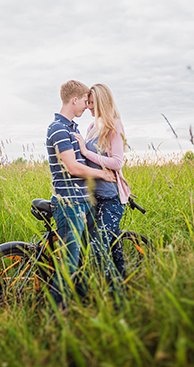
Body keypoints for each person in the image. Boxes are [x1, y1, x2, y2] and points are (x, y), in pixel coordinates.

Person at [46, 80, 116, 309]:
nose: (87, 106)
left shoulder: (73, 129)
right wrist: (102, 174)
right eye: (85, 101)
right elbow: (73, 168)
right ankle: (55, 318)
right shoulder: (57, 129)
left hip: (83, 202)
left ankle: (83, 305)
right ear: (73, 100)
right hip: (71, 204)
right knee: (69, 265)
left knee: (80, 260)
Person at [74, 83, 132, 297]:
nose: (88, 107)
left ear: (101, 101)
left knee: (98, 249)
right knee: (114, 249)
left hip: (111, 199)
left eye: (92, 103)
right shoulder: (91, 127)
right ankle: (122, 289)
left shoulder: (114, 125)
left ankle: (118, 299)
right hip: (93, 198)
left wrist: (85, 152)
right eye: (87, 103)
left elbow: (117, 163)